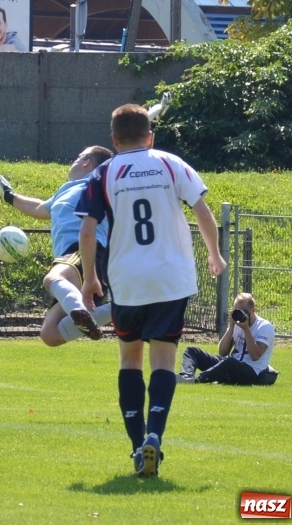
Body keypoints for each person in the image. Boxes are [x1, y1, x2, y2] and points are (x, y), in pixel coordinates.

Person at [77, 103, 226, 478]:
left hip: (127, 280)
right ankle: (155, 436)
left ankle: (135, 445)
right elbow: (203, 212)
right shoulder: (171, 163)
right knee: (163, 361)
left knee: (130, 360)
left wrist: (89, 278)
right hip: (170, 278)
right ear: (151, 136)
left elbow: (87, 228)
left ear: (113, 139)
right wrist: (215, 254)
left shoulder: (103, 173)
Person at [0, 146, 113, 346]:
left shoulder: (99, 184)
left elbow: (121, 171)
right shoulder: (66, 189)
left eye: (78, 156)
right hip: (70, 257)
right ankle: (122, 310)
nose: (74, 161)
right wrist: (9, 196)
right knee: (50, 334)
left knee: (53, 278)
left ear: (87, 163)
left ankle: (81, 308)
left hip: (87, 251)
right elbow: (39, 208)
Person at [178, 293, 277, 385]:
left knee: (230, 362)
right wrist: (231, 327)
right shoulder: (236, 323)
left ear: (253, 310)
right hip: (230, 365)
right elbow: (222, 352)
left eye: (244, 311)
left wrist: (246, 330)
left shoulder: (265, 327)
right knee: (191, 350)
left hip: (251, 372)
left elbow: (255, 356)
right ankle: (187, 376)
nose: (240, 314)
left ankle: (198, 379)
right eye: (237, 311)